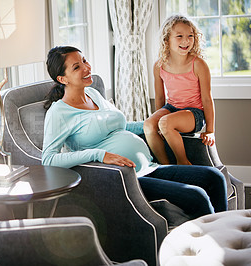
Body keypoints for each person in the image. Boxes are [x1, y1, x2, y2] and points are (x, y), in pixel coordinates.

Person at [42, 45, 227, 220]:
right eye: (76, 67)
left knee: (214, 177)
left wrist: (153, 124)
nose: (86, 67)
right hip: (127, 179)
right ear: (62, 79)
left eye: (84, 60)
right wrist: (100, 155)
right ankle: (211, 246)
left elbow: (119, 128)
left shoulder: (93, 94)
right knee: (196, 196)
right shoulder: (59, 112)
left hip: (149, 166)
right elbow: (48, 159)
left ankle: (228, 237)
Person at [144, 14, 215, 165]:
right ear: (167, 39)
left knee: (165, 123)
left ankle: (183, 163)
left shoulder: (198, 64)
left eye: (190, 35)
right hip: (171, 108)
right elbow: (160, 98)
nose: (186, 40)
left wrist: (210, 130)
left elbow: (207, 99)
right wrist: (159, 124)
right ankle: (165, 166)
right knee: (149, 124)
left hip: (194, 113)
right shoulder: (159, 65)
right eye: (179, 36)